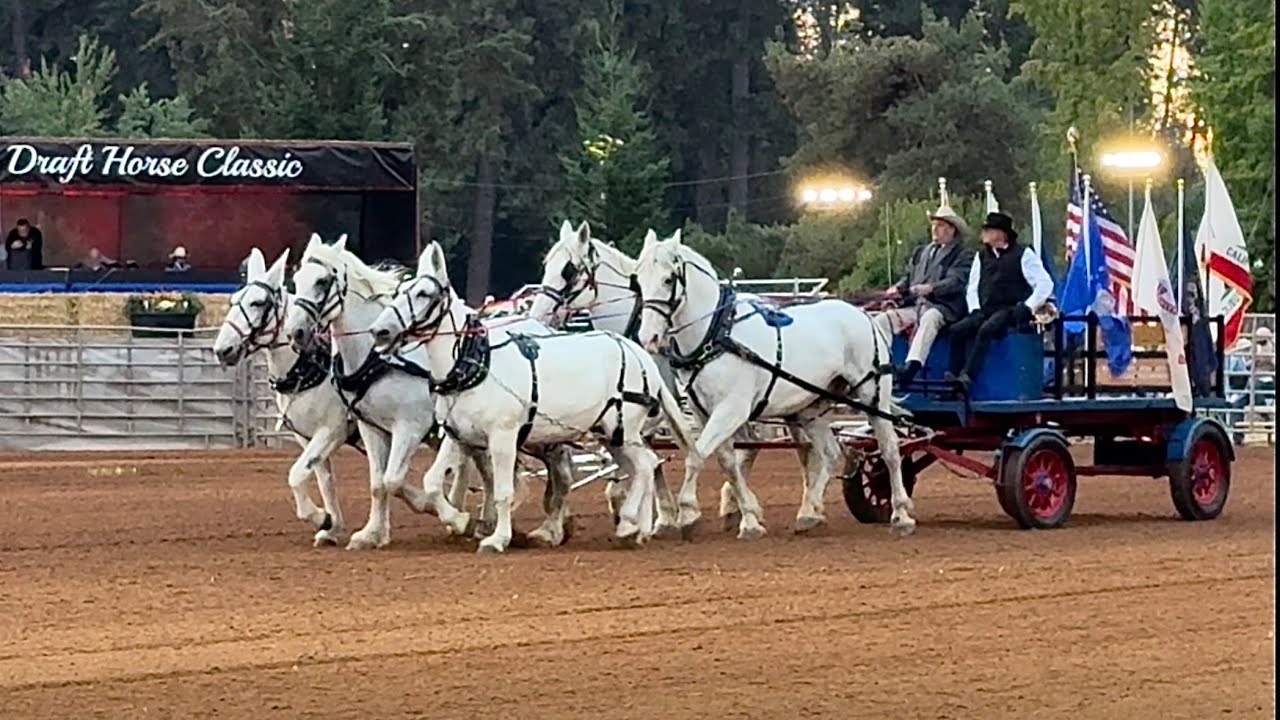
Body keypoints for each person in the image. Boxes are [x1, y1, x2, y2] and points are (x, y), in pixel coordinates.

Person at [947, 212, 1055, 394]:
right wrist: (974, 309)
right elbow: (972, 286)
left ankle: (968, 376)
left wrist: (1028, 306)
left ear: (1000, 233)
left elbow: (1045, 283)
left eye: (988, 230)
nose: (984, 234)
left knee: (986, 330)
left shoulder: (1023, 254)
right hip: (986, 308)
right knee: (957, 330)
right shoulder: (981, 256)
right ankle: (952, 374)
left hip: (1010, 308)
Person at [874, 198, 972, 385]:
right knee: (883, 320)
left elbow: (956, 281)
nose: (934, 229)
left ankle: (911, 367)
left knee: (930, 318)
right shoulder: (921, 252)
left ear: (952, 230)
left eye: (941, 225)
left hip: (944, 308)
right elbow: (909, 278)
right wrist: (897, 289)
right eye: (934, 225)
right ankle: (884, 364)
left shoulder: (963, 254)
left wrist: (931, 288)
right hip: (915, 307)